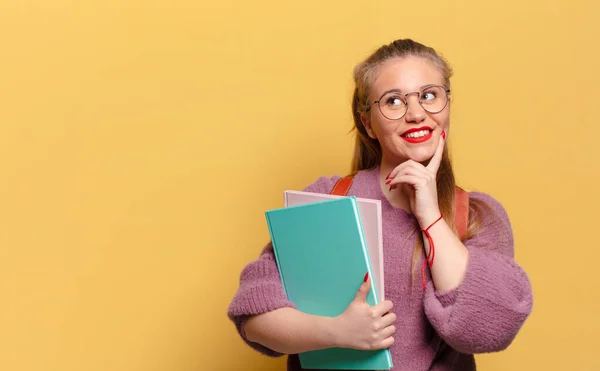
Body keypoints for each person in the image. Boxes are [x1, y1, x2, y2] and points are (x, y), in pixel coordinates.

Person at [226, 38, 533, 370]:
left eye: (429, 95)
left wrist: (429, 214)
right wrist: (336, 331)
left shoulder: (475, 216)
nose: (416, 114)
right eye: (394, 101)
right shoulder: (329, 199)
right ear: (368, 123)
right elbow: (255, 314)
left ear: (447, 105)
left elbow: (487, 330)